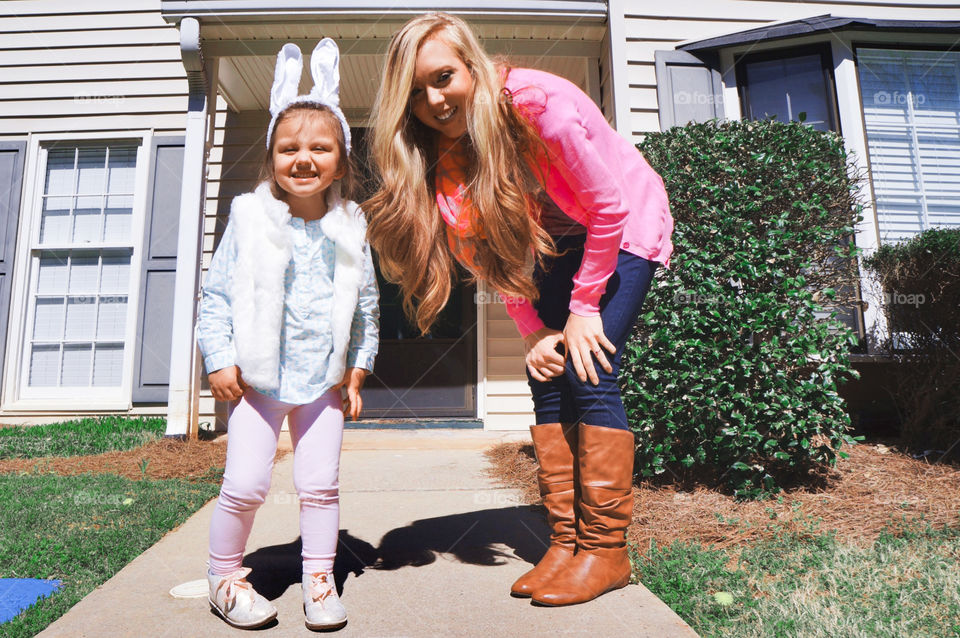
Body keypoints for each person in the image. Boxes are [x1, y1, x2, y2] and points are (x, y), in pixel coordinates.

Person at [364, 13, 673, 606]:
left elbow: (608, 206)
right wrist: (534, 331)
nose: (434, 99)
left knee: (591, 365)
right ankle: (565, 542)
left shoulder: (537, 106)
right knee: (547, 375)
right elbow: (489, 257)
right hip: (557, 246)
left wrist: (584, 307)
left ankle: (607, 551)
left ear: (472, 64)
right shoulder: (443, 157)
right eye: (417, 92)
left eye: (444, 77)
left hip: (624, 226)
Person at [196, 38, 379, 630]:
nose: (303, 158)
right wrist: (220, 359)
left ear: (341, 159)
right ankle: (224, 575)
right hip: (257, 382)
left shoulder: (351, 228)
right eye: (289, 148)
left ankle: (319, 579)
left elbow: (368, 308)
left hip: (322, 383)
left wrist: (357, 369)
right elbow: (216, 296)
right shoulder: (249, 219)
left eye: (319, 148)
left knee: (319, 486)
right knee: (246, 483)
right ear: (272, 156)